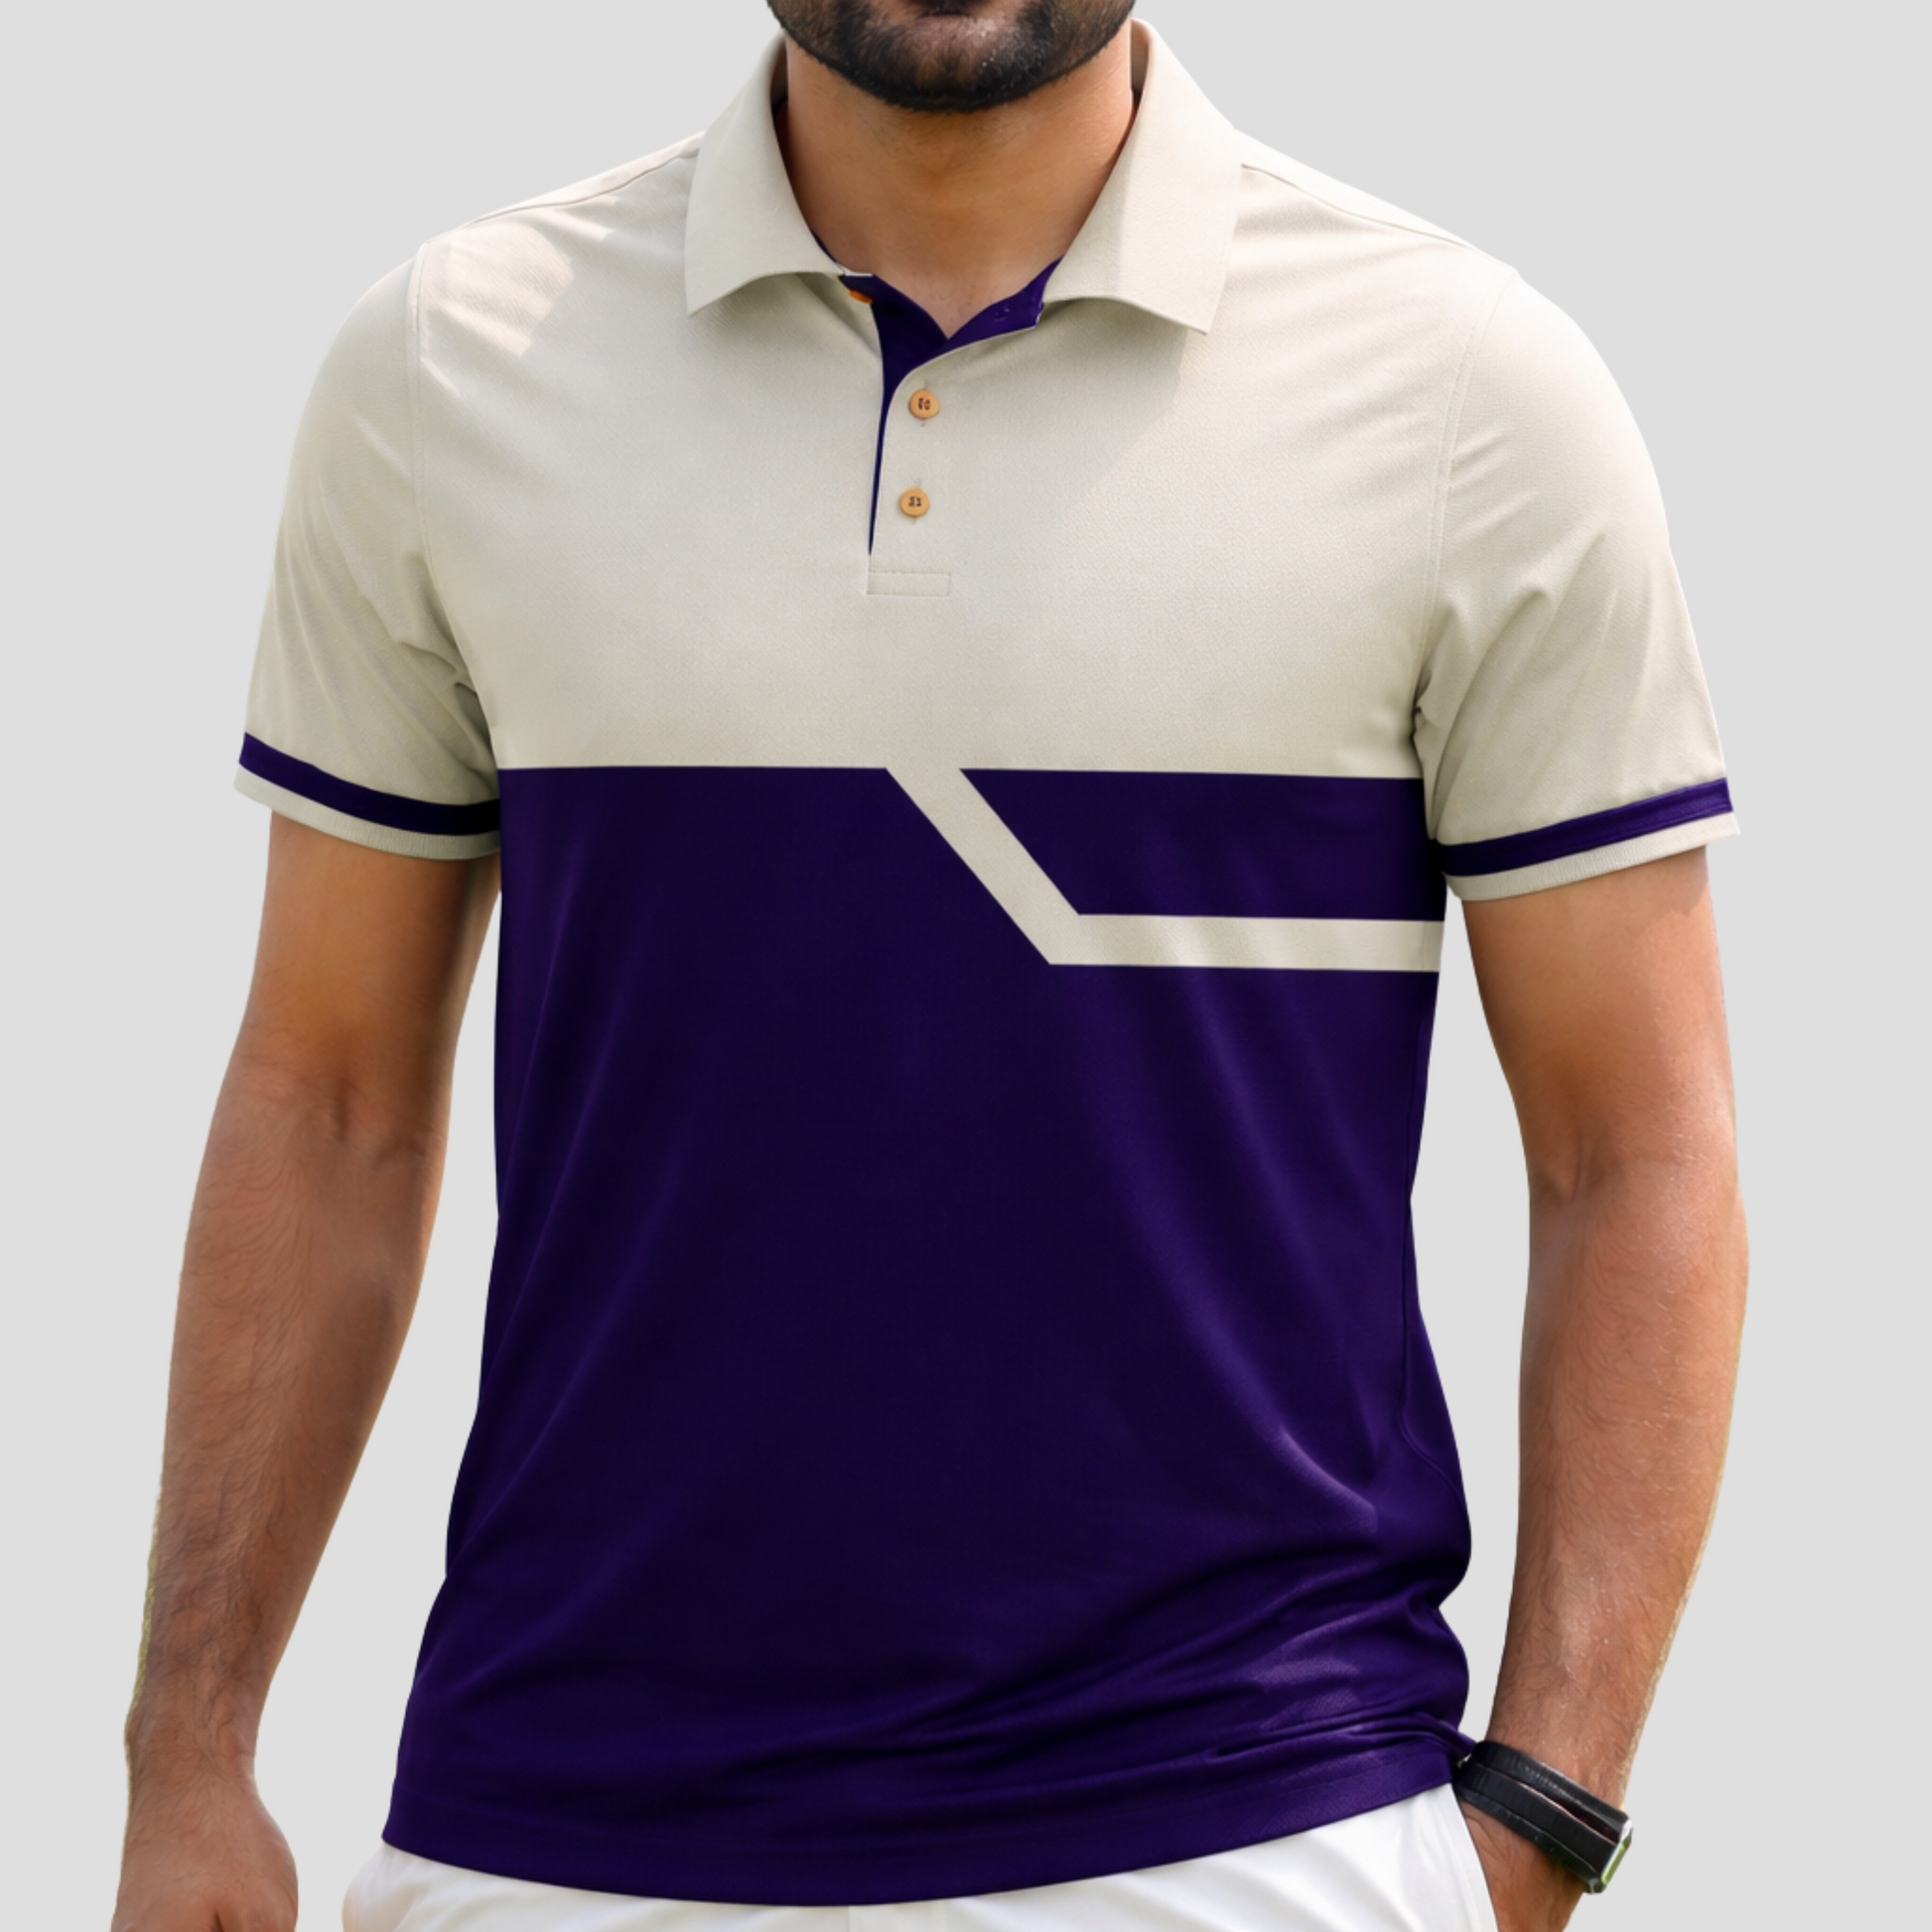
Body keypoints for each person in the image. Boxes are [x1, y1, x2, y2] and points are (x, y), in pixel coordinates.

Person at [112, 4, 1748, 1929]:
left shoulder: (1469, 390)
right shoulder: (450, 364)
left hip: (1246, 1828)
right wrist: (189, 1751)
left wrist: (1543, 1810)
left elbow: (1638, 1145)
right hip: (549, 1829)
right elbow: (326, 1103)